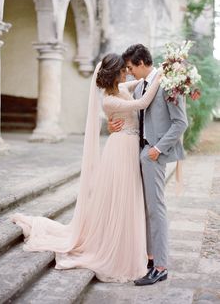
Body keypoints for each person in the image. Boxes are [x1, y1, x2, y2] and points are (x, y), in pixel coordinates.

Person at [10, 53, 161, 283]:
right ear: (113, 73)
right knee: (122, 197)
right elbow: (141, 103)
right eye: (122, 70)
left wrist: (157, 72)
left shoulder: (120, 87)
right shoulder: (109, 99)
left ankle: (126, 242)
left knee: (127, 198)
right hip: (120, 149)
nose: (126, 72)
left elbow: (140, 82)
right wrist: (161, 76)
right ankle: (116, 246)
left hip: (129, 147)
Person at [109, 44, 188, 285]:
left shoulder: (169, 84)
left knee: (156, 209)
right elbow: (129, 112)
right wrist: (112, 125)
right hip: (139, 154)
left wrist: (156, 149)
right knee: (145, 209)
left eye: (131, 66)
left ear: (142, 62)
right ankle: (151, 258)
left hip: (153, 154)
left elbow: (180, 123)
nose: (129, 71)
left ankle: (161, 267)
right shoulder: (140, 87)